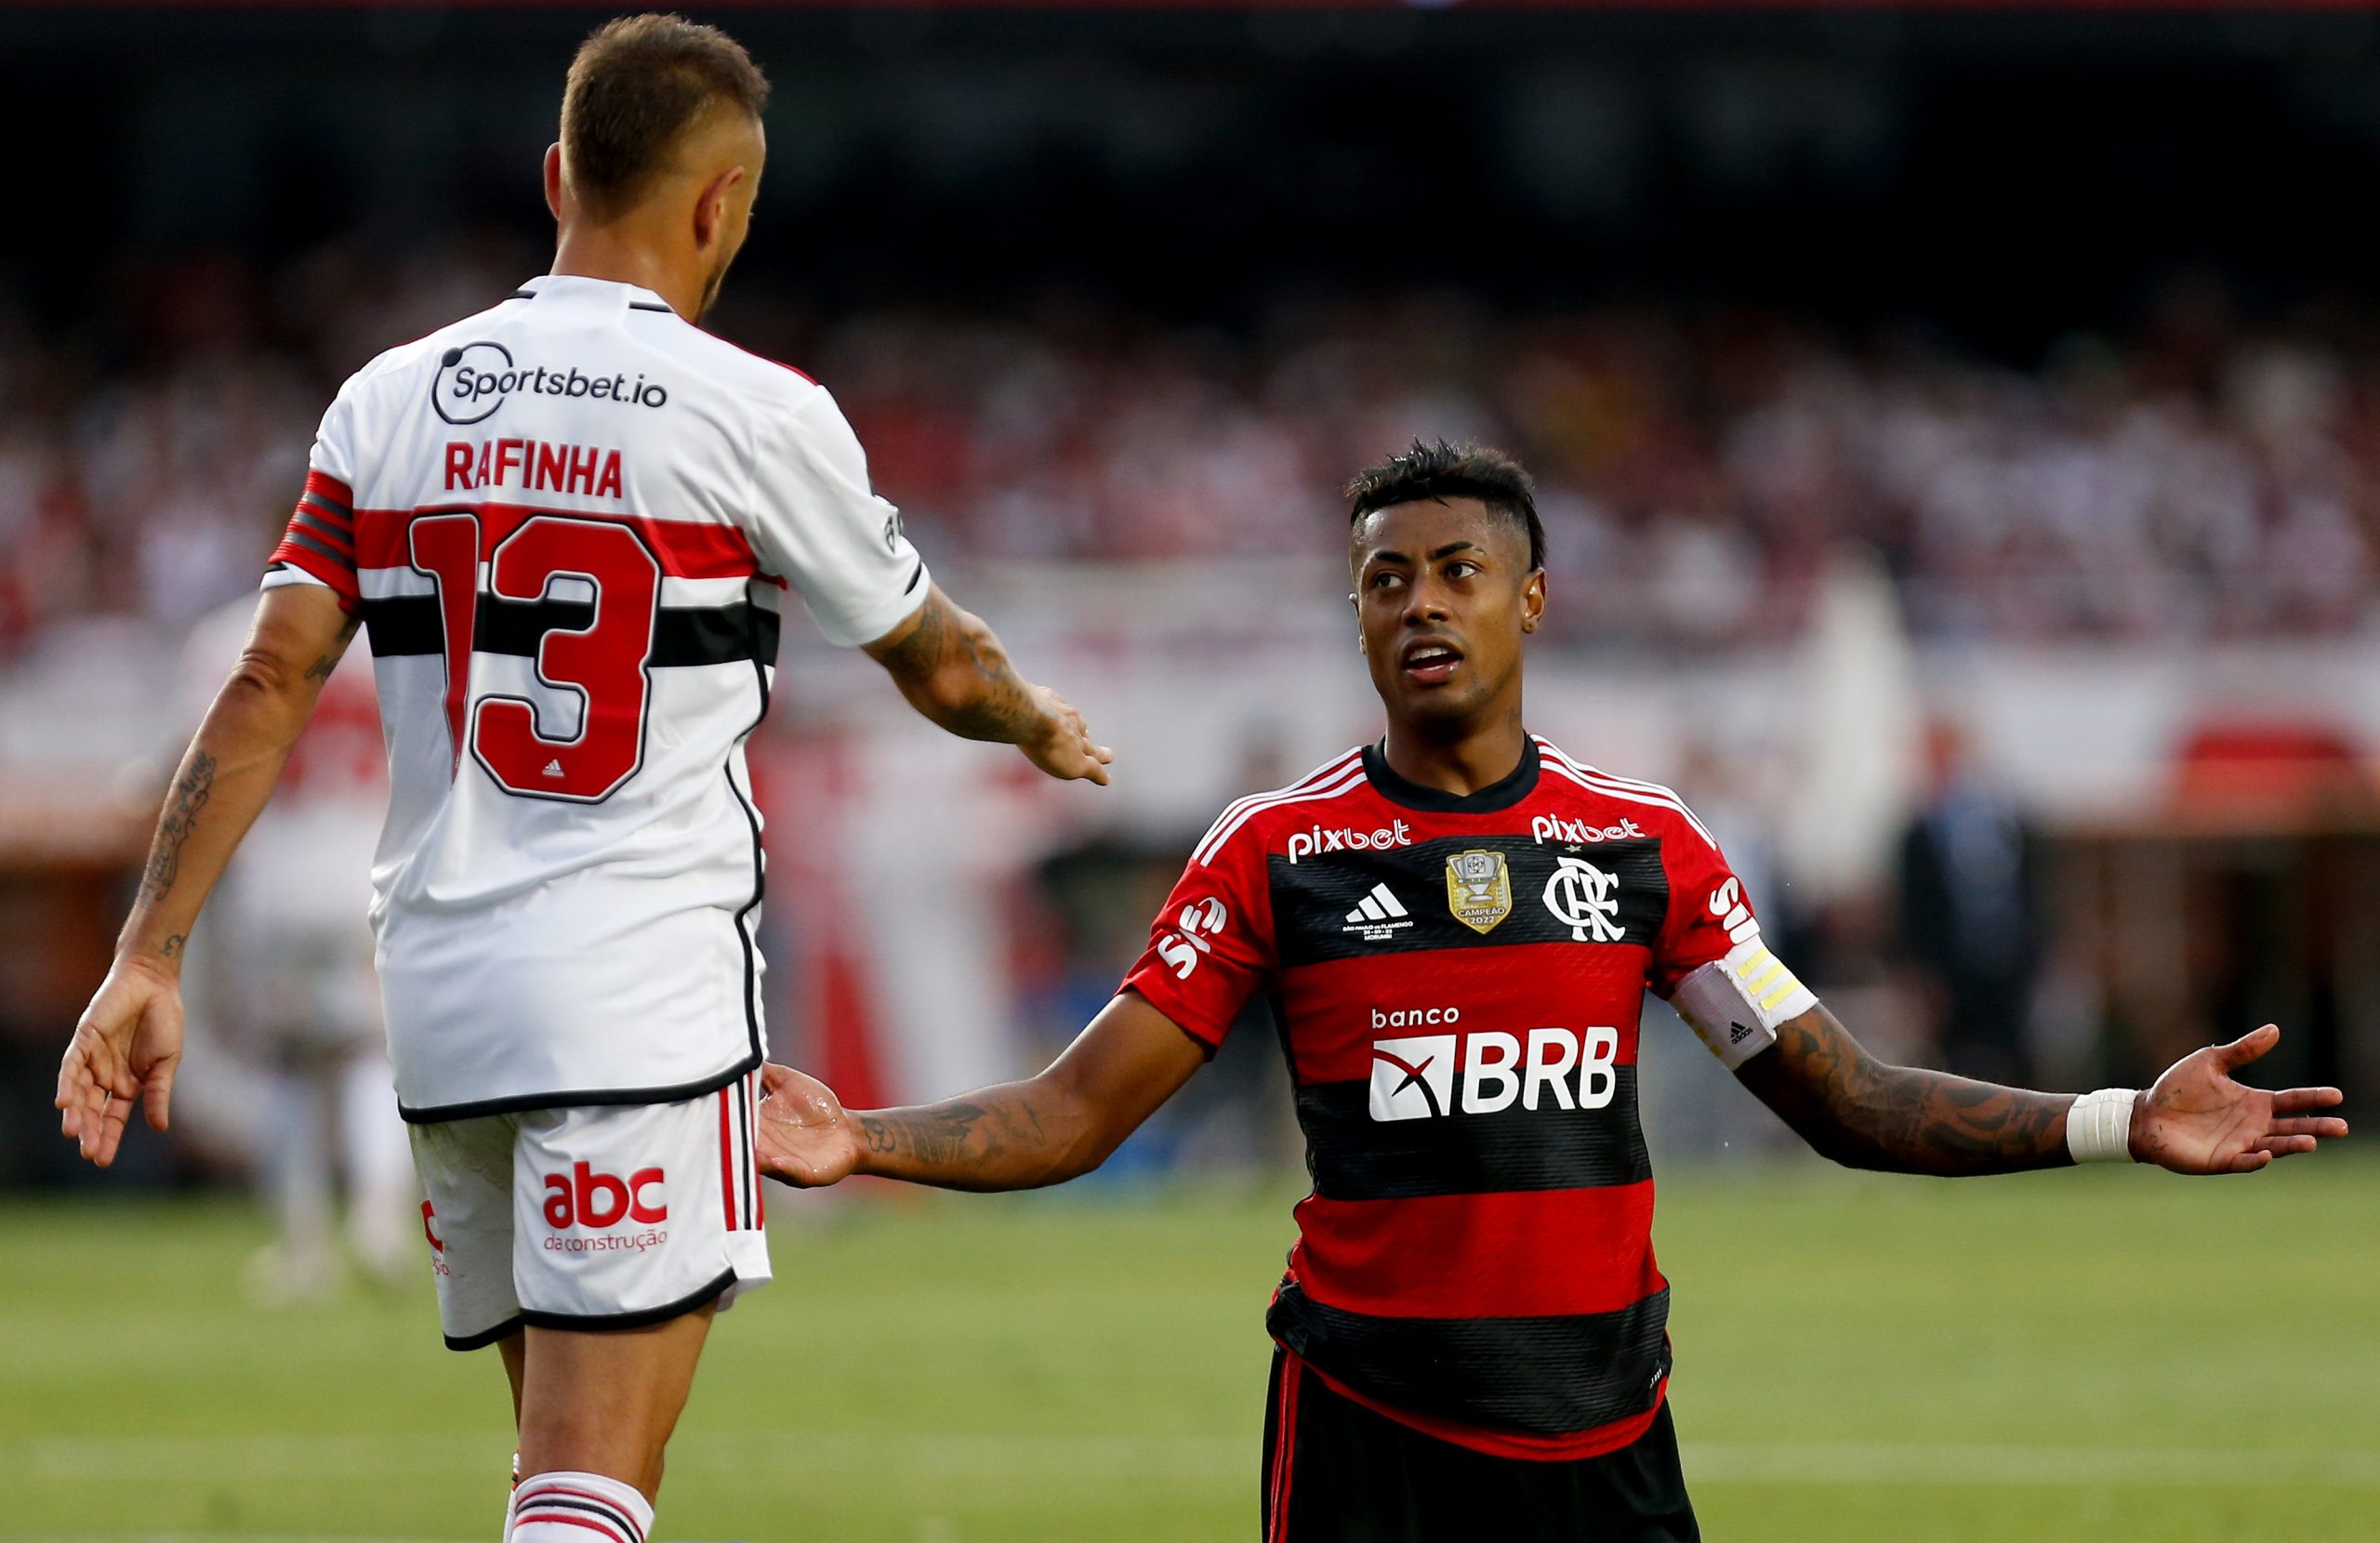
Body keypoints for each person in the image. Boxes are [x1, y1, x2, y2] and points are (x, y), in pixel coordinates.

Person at [750, 439, 2347, 1543]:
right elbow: (1073, 1109)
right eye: (1386, 579)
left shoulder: (1647, 851)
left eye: (1458, 571)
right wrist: (861, 1142)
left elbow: (1849, 1101)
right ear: (1358, 614)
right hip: (1367, 1427)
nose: (1421, 603)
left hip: (1605, 1428)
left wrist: (2121, 1116)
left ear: (1531, 601)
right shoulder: (1275, 852)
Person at [54, 16, 1110, 1543]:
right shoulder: (756, 409)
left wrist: (147, 956)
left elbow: (265, 678)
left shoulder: (389, 399)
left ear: (560, 175)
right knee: (589, 1490)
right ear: (722, 205)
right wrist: (1036, 724)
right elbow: (938, 662)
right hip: (633, 1000)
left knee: (554, 1473)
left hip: (443, 1003)